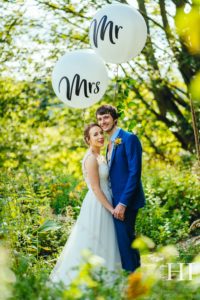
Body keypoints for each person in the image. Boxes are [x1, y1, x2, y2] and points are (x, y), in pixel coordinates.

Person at [49, 123, 121, 285]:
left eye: (101, 133)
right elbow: (96, 188)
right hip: (98, 205)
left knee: (107, 242)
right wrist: (111, 209)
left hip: (106, 200)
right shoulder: (90, 159)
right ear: (88, 140)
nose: (100, 136)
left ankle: (107, 281)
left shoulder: (100, 156)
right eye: (95, 134)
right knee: (94, 242)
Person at [96, 105, 146, 272]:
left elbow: (134, 173)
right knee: (126, 241)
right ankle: (135, 278)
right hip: (115, 199)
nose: (103, 122)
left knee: (126, 242)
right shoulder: (109, 143)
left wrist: (123, 203)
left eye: (106, 117)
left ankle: (134, 280)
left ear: (114, 118)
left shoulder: (129, 138)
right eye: (99, 119)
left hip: (127, 200)